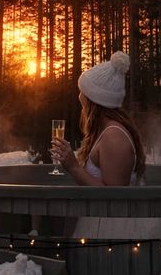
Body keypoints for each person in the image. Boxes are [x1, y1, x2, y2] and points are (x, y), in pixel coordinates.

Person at [50, 50, 146, 185]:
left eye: (82, 91)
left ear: (93, 99)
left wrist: (73, 167)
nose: (79, 96)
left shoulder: (114, 136)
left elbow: (115, 198)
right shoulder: (106, 131)